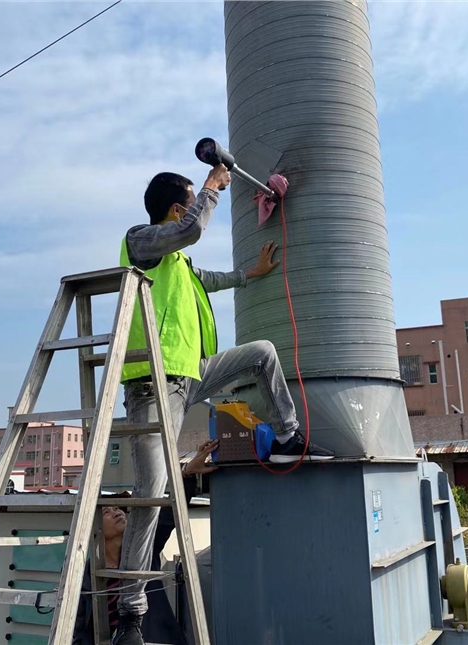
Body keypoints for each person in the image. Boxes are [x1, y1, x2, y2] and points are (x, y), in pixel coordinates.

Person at [114, 166, 335, 645]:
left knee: (262, 354)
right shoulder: (141, 242)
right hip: (152, 386)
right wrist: (212, 186)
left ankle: (287, 436)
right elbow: (192, 230)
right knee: (151, 490)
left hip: (189, 375)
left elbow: (205, 278)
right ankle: (129, 615)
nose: (196, 205)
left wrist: (247, 274)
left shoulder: (177, 266)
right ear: (176, 208)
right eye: (190, 200)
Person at [72, 442, 218, 645]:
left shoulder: (142, 550)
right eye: (107, 512)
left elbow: (169, 515)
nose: (117, 512)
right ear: (94, 529)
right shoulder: (89, 572)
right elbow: (81, 625)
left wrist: (187, 474)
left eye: (119, 509)